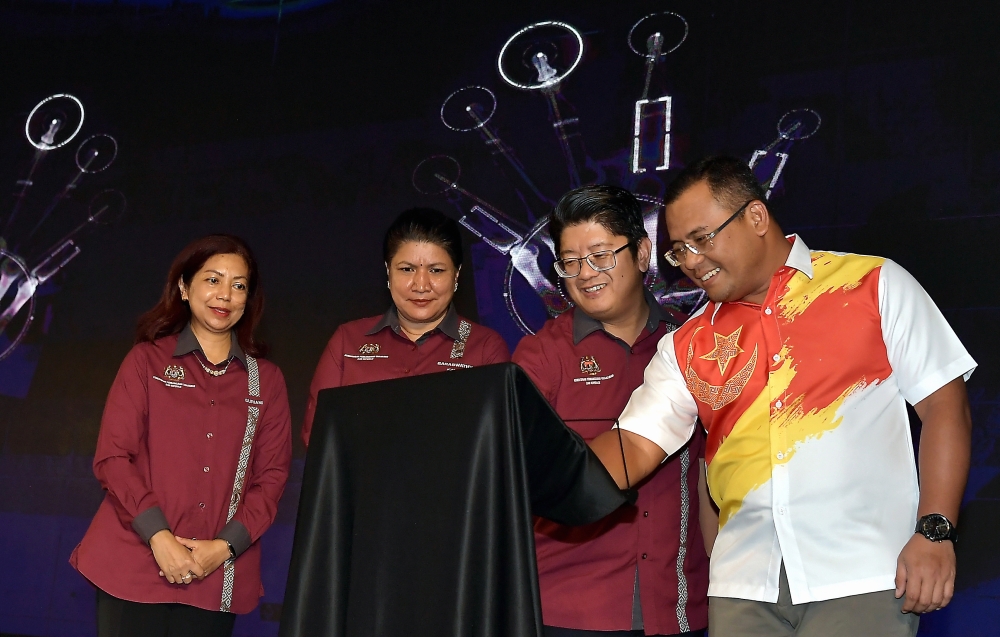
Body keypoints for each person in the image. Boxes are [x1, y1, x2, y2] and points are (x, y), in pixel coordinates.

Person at [588, 156, 976, 637]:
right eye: (678, 250)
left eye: (701, 240)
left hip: (864, 576)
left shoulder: (873, 284)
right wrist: (536, 471)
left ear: (755, 218)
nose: (689, 261)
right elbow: (635, 446)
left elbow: (945, 408)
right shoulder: (686, 343)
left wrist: (935, 531)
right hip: (743, 589)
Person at [513, 184, 713, 637]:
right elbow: (514, 481)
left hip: (681, 607)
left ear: (643, 254)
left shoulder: (693, 347)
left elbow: (711, 482)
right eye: (570, 262)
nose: (586, 274)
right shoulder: (540, 358)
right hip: (571, 613)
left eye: (601, 255)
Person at [70, 234, 293, 637]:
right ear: (184, 287)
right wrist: (159, 536)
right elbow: (113, 458)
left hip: (215, 571)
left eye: (238, 285)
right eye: (213, 279)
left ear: (249, 298)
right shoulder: (146, 360)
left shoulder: (267, 381)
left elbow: (273, 478)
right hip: (135, 562)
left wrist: (223, 548)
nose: (225, 294)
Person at [301, 207, 510, 445]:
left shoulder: (484, 348)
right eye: (407, 269)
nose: (421, 285)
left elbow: (497, 444)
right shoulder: (347, 341)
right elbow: (317, 438)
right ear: (388, 272)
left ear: (457, 275)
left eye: (436, 270)